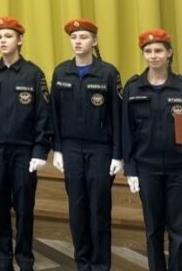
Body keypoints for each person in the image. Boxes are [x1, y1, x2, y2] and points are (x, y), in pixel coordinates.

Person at [122, 28, 182, 271]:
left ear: (169, 53)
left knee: (178, 230)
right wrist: (130, 168)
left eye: (158, 50)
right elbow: (126, 131)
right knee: (153, 230)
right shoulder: (133, 88)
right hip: (146, 168)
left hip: (179, 169)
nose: (153, 56)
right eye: (148, 51)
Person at [0, 17, 52, 271]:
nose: (3, 41)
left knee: (24, 207)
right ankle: (3, 260)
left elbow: (43, 117)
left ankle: (25, 259)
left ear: (20, 40)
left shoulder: (33, 74)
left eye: (8, 36)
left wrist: (40, 151)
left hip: (24, 151)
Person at [49, 19, 123, 271]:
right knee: (77, 210)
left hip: (100, 150)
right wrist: (57, 148)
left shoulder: (108, 73)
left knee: (99, 210)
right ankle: (82, 263)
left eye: (83, 37)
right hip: (71, 149)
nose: (78, 42)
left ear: (94, 41)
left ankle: (100, 265)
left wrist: (118, 153)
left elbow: (117, 115)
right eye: (74, 37)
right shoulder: (61, 72)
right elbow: (55, 114)